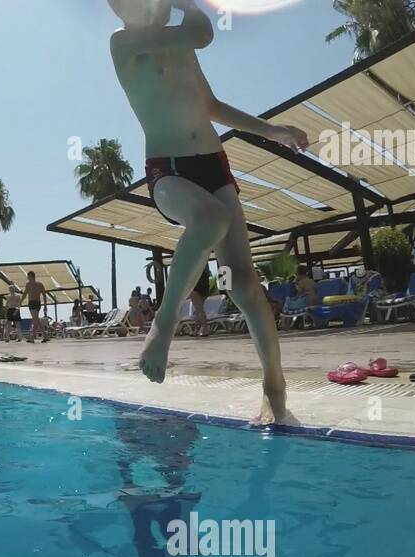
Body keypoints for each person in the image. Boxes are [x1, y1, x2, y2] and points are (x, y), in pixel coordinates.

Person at [107, 0, 307, 423]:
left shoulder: (179, 47)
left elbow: (212, 106)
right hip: (169, 173)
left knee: (244, 288)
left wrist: (272, 130)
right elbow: (202, 31)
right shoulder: (124, 44)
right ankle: (164, 323)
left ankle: (275, 389)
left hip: (214, 167)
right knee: (210, 218)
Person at [21, 271, 50, 343]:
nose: (27, 278)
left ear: (31, 276)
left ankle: (33, 337)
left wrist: (45, 306)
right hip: (31, 303)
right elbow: (25, 294)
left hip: (37, 302)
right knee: (36, 319)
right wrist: (20, 302)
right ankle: (44, 336)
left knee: (35, 319)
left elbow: (44, 295)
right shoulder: (28, 284)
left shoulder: (40, 284)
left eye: (28, 276)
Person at [189, 266, 210, 337]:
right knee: (198, 310)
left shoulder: (192, 264)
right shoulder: (204, 263)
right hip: (205, 286)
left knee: (199, 309)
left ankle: (205, 328)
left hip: (195, 286)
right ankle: (196, 330)